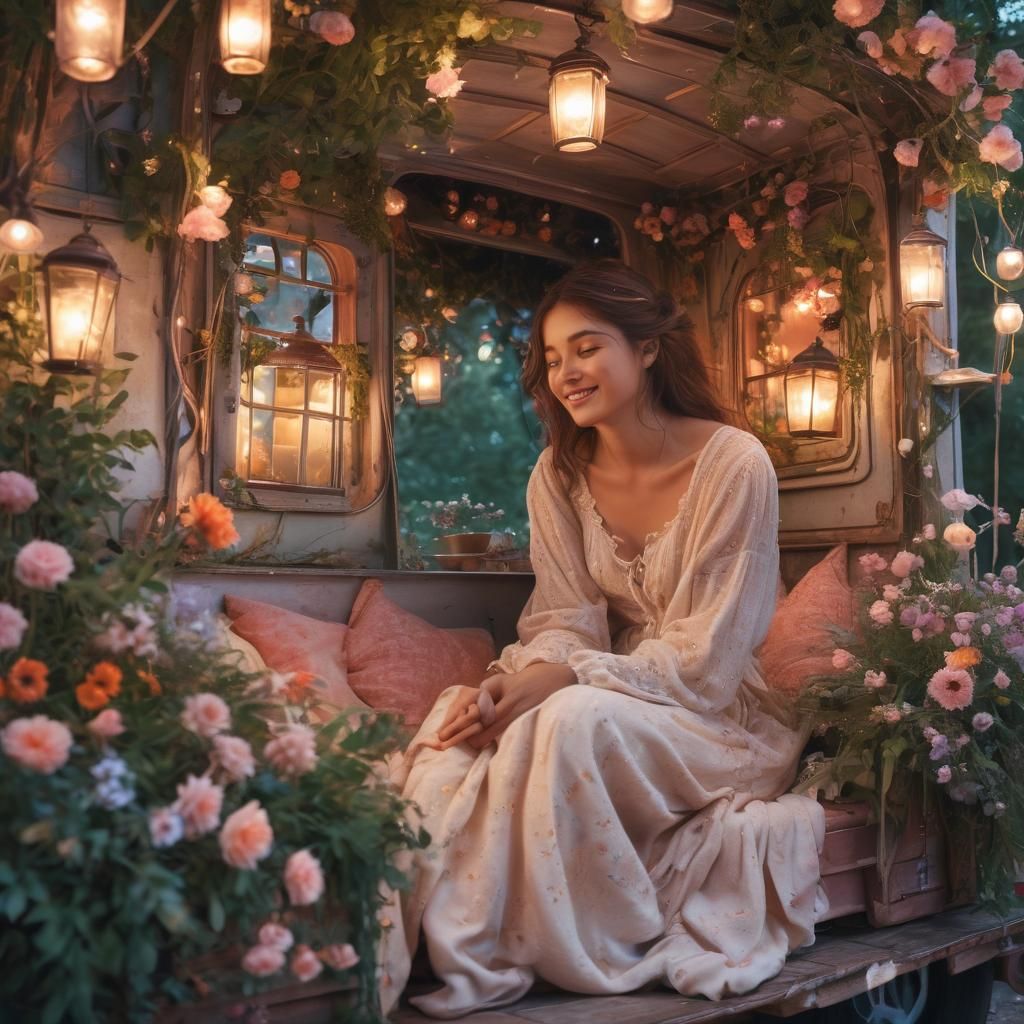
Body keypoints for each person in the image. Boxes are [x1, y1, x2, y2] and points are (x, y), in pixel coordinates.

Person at [379, 260, 827, 1019]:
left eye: (587, 348)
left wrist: (569, 678)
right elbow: (563, 616)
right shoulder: (556, 474)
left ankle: (565, 950)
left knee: (569, 716)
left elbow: (712, 656)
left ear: (647, 348)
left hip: (714, 714)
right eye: (553, 358)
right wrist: (525, 676)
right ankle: (442, 943)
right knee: (468, 721)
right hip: (612, 691)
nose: (567, 373)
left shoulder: (734, 463)